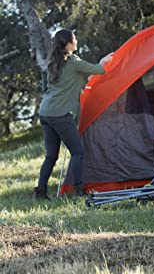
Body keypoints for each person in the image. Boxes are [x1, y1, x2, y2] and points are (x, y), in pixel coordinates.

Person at [33, 29, 113, 199]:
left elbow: (61, 84)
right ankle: (78, 191)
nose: (76, 41)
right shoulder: (73, 61)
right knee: (77, 151)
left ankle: (40, 192)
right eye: (74, 39)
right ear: (68, 44)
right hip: (60, 114)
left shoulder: (54, 61)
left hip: (45, 112)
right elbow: (99, 70)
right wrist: (104, 60)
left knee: (51, 156)